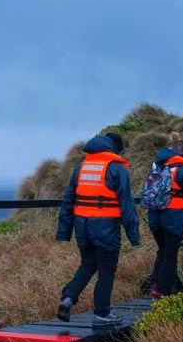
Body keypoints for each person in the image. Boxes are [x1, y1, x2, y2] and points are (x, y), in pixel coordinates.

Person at [56, 133, 140, 328]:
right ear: (115, 149)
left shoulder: (81, 167)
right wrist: (134, 235)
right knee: (106, 271)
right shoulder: (117, 168)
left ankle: (67, 298)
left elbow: (68, 201)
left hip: (83, 229)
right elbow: (126, 205)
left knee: (87, 265)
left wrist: (64, 232)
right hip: (106, 229)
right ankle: (102, 314)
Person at [146, 133, 183, 298]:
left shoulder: (159, 168)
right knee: (170, 255)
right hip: (173, 218)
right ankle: (164, 290)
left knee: (162, 251)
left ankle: (155, 283)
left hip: (155, 218)